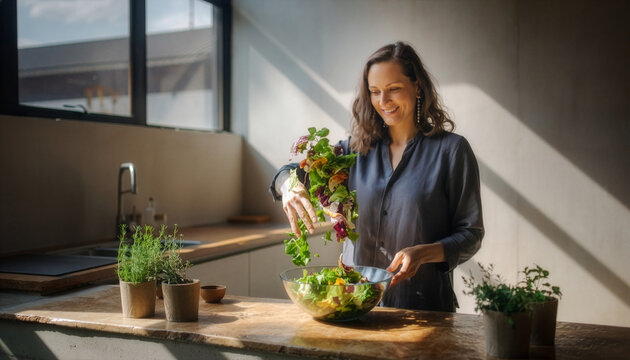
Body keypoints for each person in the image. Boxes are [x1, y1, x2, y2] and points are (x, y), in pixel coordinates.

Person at [269, 42, 484, 312]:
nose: (383, 101)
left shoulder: (451, 151)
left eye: (393, 89)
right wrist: (289, 186)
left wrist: (421, 253)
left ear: (417, 86)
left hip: (423, 310)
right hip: (352, 306)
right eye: (374, 91)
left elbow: (470, 234)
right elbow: (289, 172)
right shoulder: (353, 152)